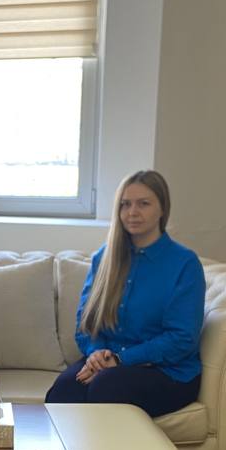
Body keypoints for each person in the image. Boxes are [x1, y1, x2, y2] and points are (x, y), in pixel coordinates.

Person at [45, 170, 204, 418]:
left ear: (162, 209)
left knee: (107, 387)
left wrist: (121, 360)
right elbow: (86, 323)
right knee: (64, 390)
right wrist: (97, 355)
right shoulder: (104, 258)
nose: (132, 212)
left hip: (168, 372)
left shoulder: (184, 264)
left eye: (144, 204)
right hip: (109, 363)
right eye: (125, 204)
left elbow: (182, 339)